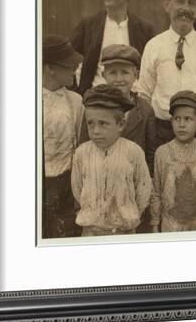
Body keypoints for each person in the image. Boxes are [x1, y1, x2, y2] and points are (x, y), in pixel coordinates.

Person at [77, 44, 157, 233]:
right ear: (104, 75)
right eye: (113, 73)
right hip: (96, 190)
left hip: (128, 193)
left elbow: (150, 155)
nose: (119, 79)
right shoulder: (92, 106)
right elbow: (83, 150)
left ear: (135, 74)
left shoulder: (145, 110)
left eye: (125, 73)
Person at [137, 0, 196, 148]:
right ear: (167, 5)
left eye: (192, 3)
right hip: (163, 132)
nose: (185, 8)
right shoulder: (154, 46)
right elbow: (143, 95)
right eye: (180, 1)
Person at [71, 84, 153, 237]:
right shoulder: (82, 153)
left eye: (103, 124)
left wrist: (128, 214)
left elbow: (143, 189)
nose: (95, 131)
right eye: (91, 123)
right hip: (91, 231)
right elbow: (77, 187)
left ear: (121, 124)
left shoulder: (133, 152)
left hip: (123, 231)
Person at [70, 0, 155, 94]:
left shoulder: (144, 29)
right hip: (96, 99)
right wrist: (77, 92)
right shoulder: (88, 25)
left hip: (133, 98)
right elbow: (68, 59)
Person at [41, 35, 84, 238]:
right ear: (49, 68)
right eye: (68, 66)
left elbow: (78, 142)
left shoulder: (76, 102)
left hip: (66, 184)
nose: (74, 70)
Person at [150, 91, 196, 233]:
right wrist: (155, 224)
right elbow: (156, 191)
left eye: (188, 119)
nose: (182, 124)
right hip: (171, 226)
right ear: (171, 121)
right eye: (177, 119)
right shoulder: (162, 152)